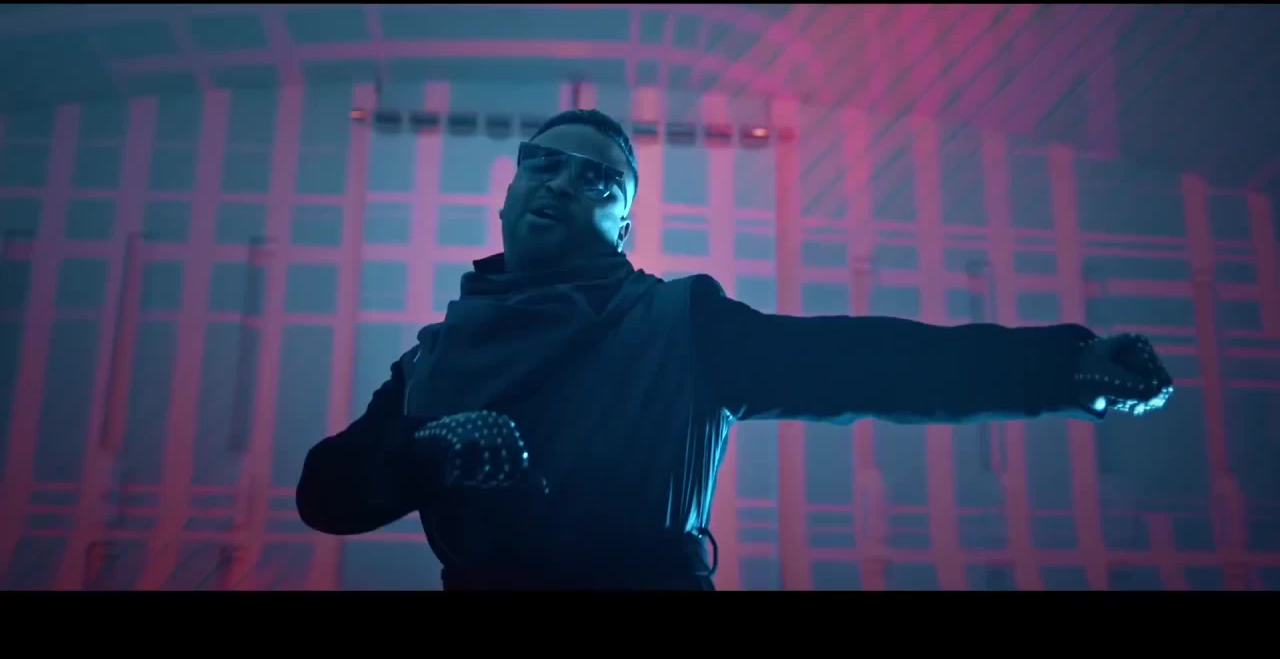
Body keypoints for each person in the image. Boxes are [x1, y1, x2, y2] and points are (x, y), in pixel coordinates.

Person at [295, 109, 1173, 591]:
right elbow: (325, 496)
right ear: (512, 189)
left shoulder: (681, 323)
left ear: (624, 224)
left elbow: (867, 362)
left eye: (597, 177)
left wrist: (1063, 365)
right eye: (544, 163)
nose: (562, 182)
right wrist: (421, 453)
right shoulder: (432, 360)